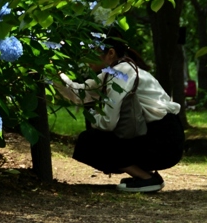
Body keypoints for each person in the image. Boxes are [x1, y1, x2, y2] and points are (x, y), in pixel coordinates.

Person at [54, 35, 184, 193]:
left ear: (110, 53)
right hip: (166, 136)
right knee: (92, 138)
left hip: (163, 141)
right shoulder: (115, 72)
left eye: (91, 53)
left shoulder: (120, 73)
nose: (86, 59)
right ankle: (144, 175)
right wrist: (54, 73)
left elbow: (108, 122)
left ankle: (147, 179)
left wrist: (93, 116)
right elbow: (79, 93)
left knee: (89, 142)